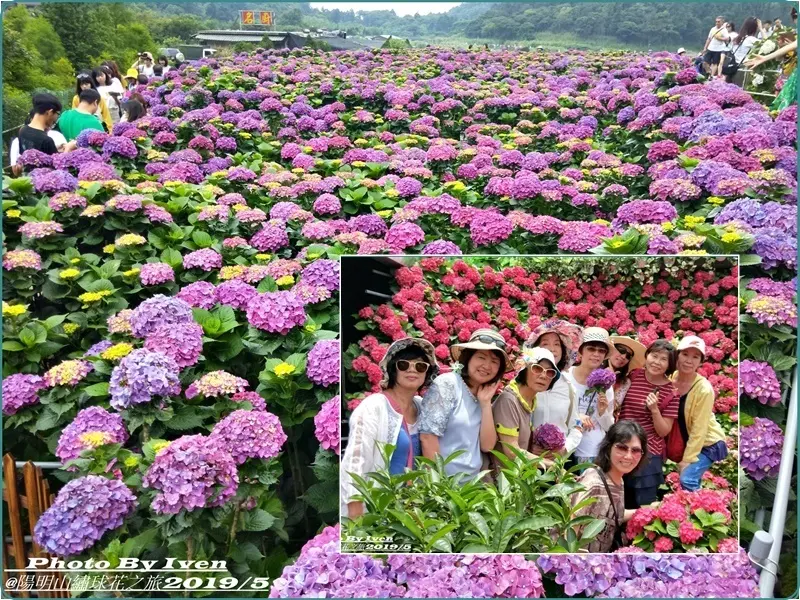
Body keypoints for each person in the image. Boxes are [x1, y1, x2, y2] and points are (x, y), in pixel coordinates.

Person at [340, 338, 438, 519]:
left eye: (420, 366)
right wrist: (356, 517)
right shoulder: (373, 407)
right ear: (393, 368)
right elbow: (355, 462)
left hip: (415, 512)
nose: (412, 369)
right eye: (403, 364)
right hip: (378, 511)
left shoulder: (423, 407)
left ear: (427, 373)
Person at [418, 328, 510, 480]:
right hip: (444, 486)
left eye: (494, 361)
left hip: (471, 486)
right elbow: (428, 437)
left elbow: (487, 446)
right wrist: (437, 485)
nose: (487, 366)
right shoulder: (448, 384)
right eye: (481, 357)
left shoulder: (483, 394)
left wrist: (486, 404)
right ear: (468, 358)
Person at [617, 339, 678, 508]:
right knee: (617, 500)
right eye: (654, 355)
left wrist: (654, 410)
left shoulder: (671, 392)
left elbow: (664, 431)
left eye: (663, 359)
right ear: (647, 355)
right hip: (620, 447)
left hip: (647, 455)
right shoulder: (634, 375)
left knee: (641, 506)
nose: (657, 362)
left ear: (670, 364)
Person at [571, 421, 647, 553]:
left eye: (635, 450)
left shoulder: (618, 480)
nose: (628, 456)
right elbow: (571, 529)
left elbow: (611, 514)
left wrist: (650, 511)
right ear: (608, 447)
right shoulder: (593, 483)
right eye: (622, 448)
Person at [670, 336, 728, 491]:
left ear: (701, 362)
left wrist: (687, 459)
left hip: (708, 443)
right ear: (677, 355)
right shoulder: (671, 378)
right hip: (689, 440)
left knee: (687, 479)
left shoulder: (704, 389)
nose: (689, 360)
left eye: (695, 357)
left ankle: (702, 511)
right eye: (685, 354)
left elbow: (699, 428)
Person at [491, 347, 560, 467]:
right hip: (497, 480)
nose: (544, 376)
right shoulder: (508, 400)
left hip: (516, 479)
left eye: (550, 372)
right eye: (537, 368)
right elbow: (512, 452)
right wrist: (551, 465)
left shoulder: (530, 402)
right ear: (524, 370)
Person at [525, 320, 586, 457]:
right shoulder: (524, 383)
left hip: (556, 463)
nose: (552, 349)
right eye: (545, 344)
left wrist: (564, 449)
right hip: (526, 461)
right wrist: (527, 445)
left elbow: (576, 426)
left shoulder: (568, 386)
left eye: (557, 344)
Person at [563, 328, 617, 466]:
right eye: (591, 349)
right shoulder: (565, 377)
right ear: (581, 351)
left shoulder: (606, 385)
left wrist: (601, 412)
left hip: (591, 450)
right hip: (564, 445)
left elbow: (609, 427)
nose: (596, 354)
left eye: (601, 351)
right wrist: (577, 417)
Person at [745, 7, 797, 110]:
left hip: (794, 75)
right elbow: (779, 58)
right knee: (783, 105)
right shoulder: (793, 34)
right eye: (795, 17)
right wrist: (781, 46)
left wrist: (765, 58)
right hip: (787, 74)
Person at [608, 336, 646, 419]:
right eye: (622, 350)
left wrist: (611, 380)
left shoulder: (625, 382)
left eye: (628, 356)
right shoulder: (592, 368)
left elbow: (613, 408)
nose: (624, 357)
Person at [725, 18, 760, 83]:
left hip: (734, 68)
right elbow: (767, 43)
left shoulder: (738, 38)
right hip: (744, 69)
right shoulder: (751, 40)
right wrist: (762, 30)